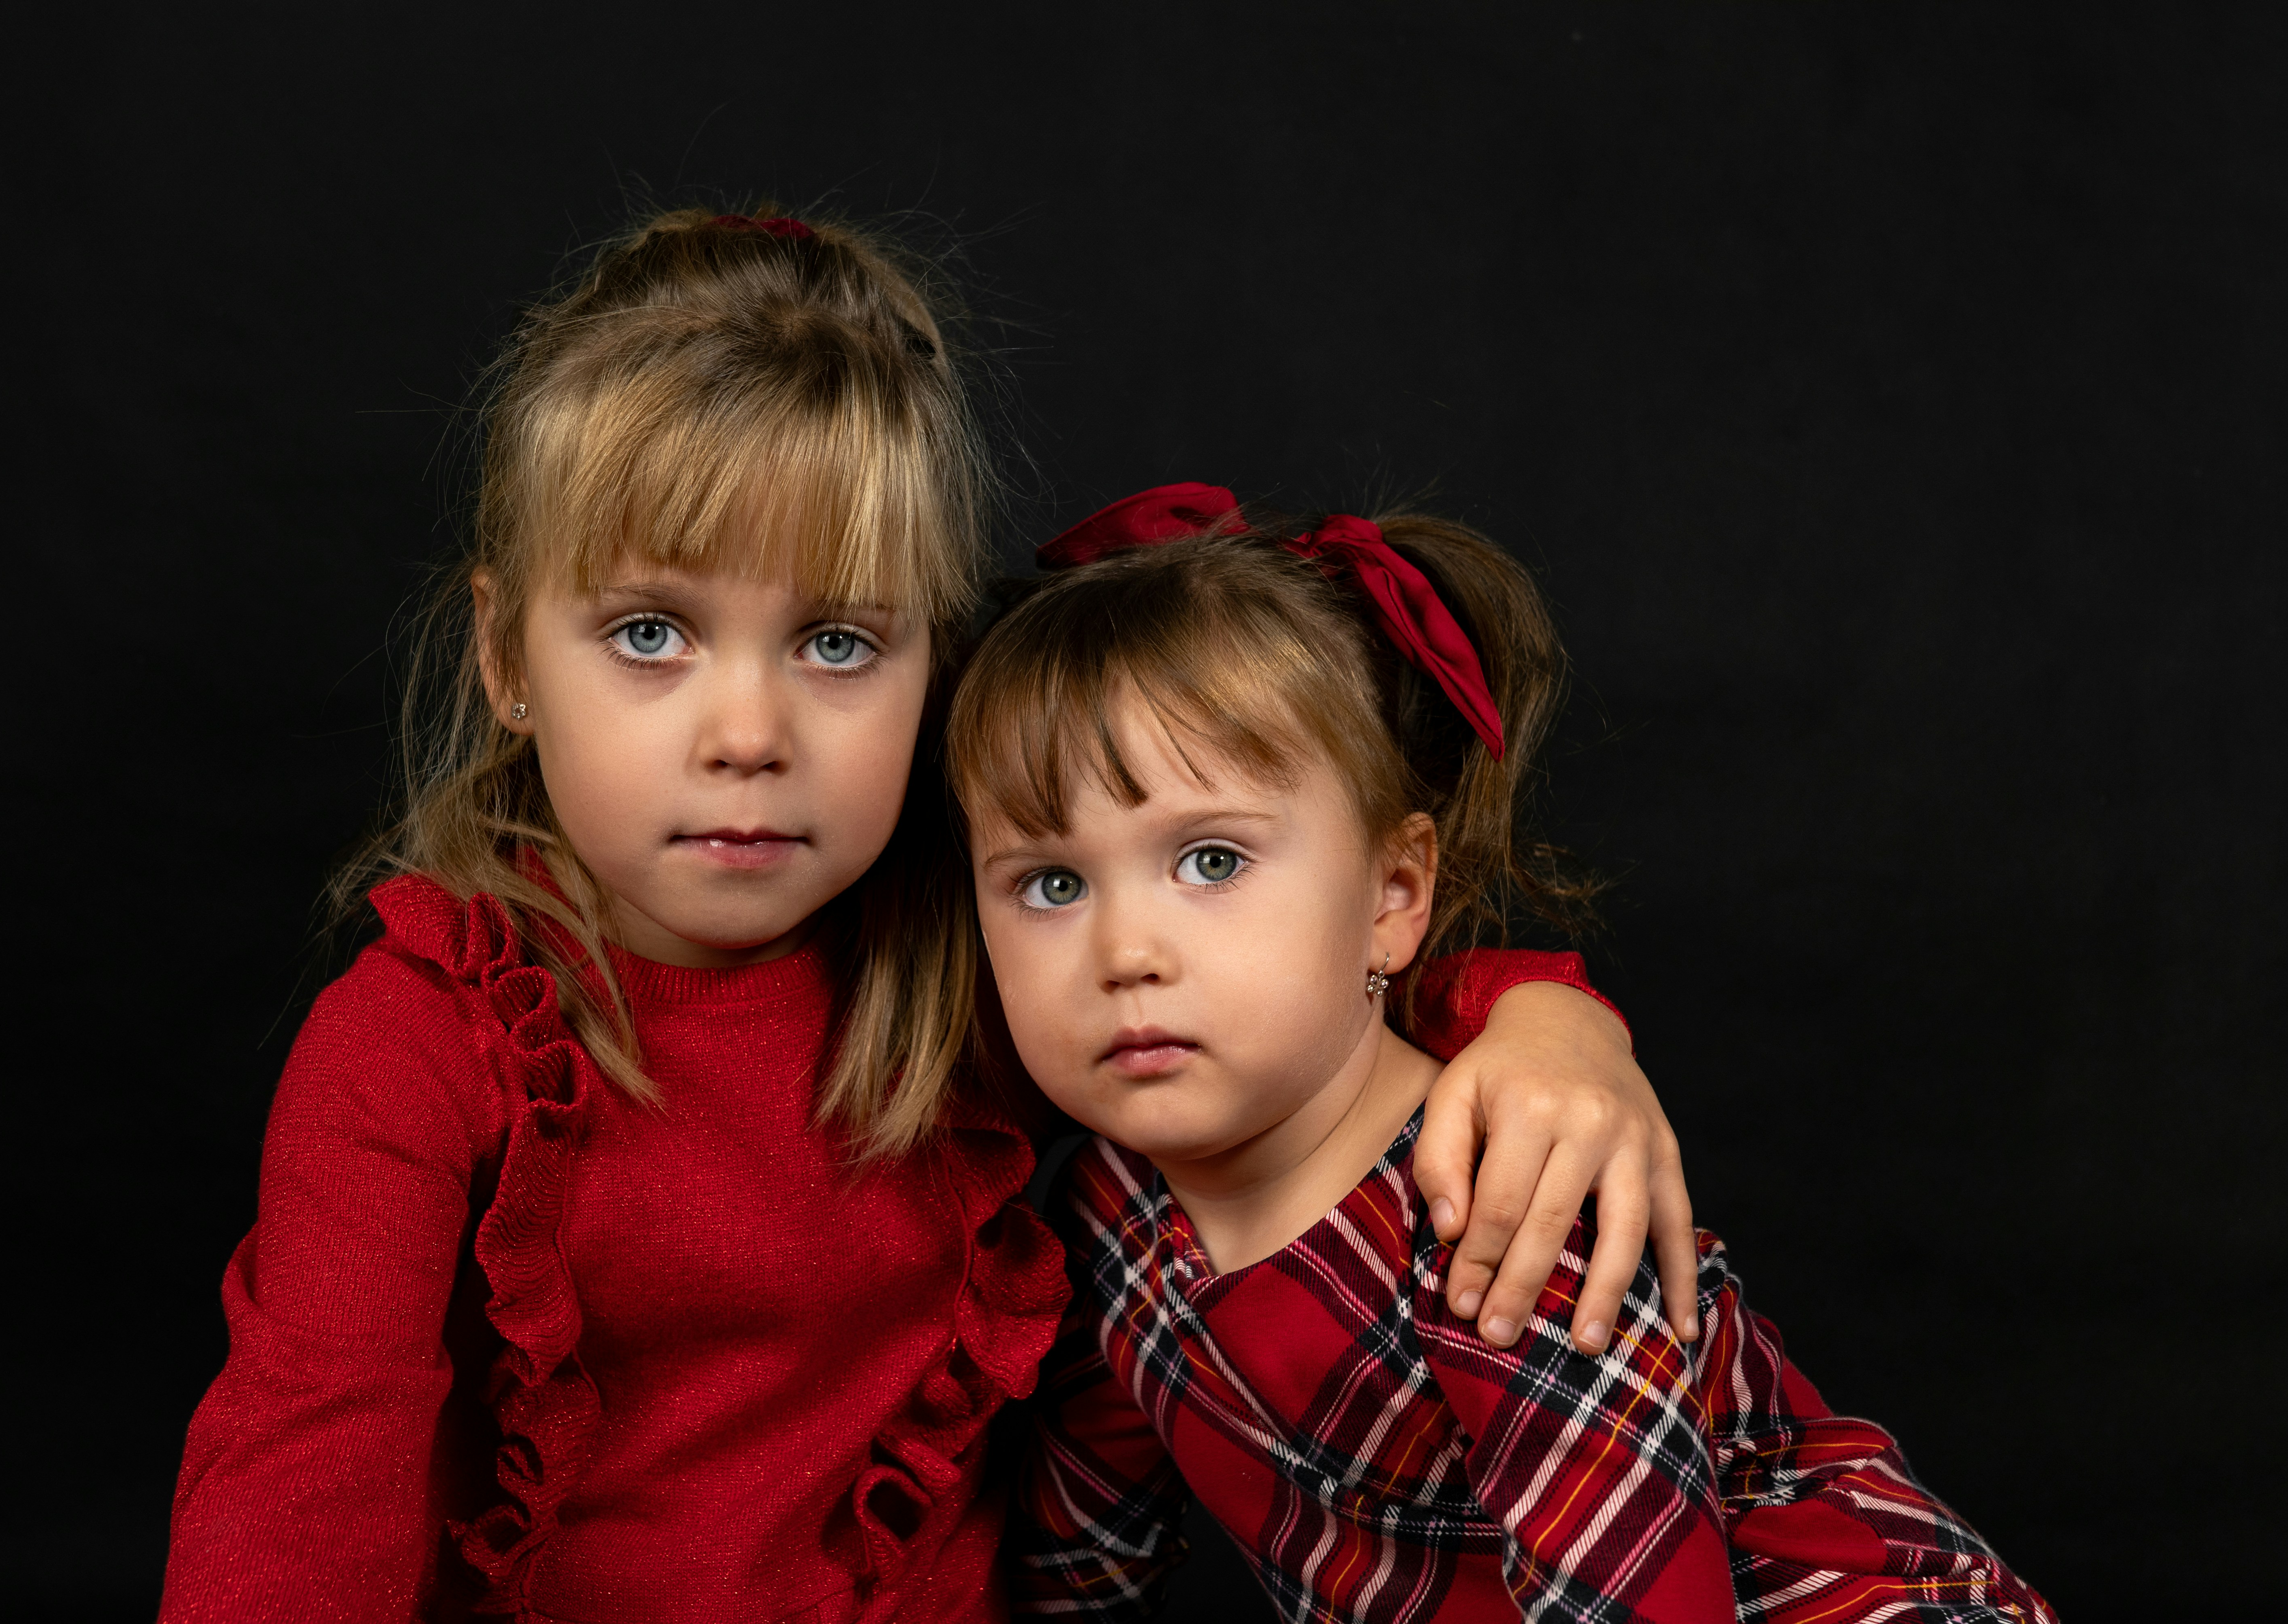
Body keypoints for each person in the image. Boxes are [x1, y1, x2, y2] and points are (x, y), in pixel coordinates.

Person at [158, 214, 1683, 1623]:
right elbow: (305, 1465)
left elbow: (1277, 980)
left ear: (933, 665)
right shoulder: (422, 1041)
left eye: (836, 642)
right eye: (650, 633)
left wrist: (1549, 1020)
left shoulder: (981, 942)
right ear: (505, 658)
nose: (747, 735)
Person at [954, 486, 2058, 1621]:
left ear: (1394, 896)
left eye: (1213, 863)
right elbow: (1074, 1554)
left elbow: (1646, 1604)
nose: (1126, 953)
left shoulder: (1498, 1216)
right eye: (1053, 884)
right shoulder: (1113, 1209)